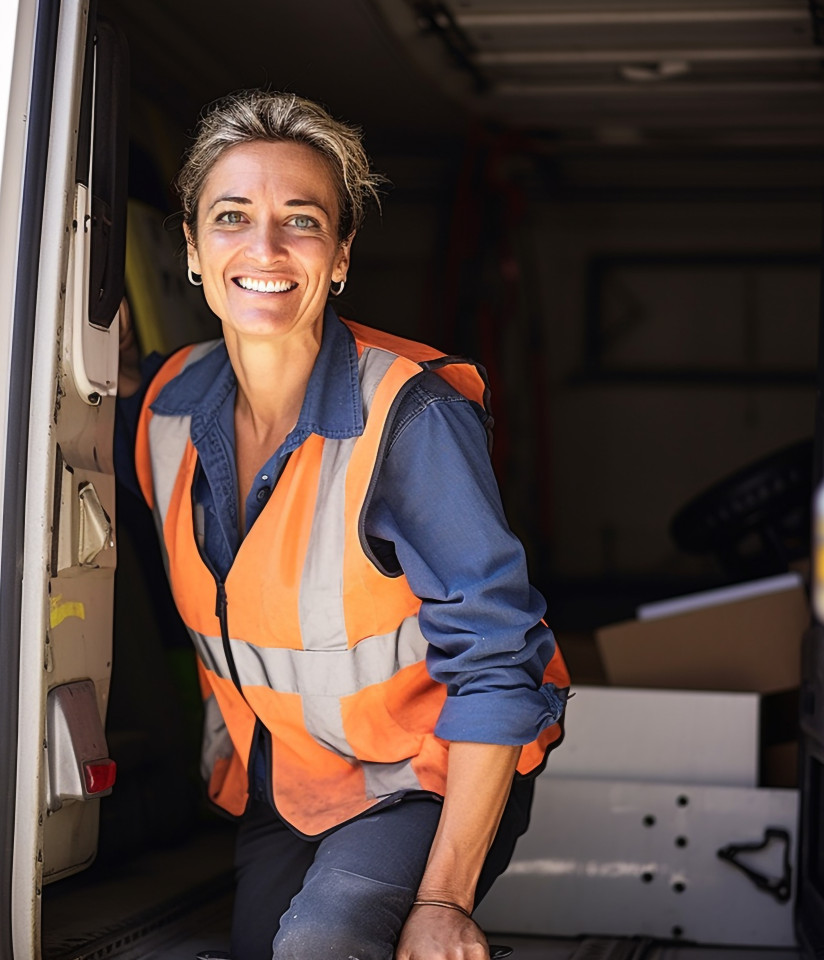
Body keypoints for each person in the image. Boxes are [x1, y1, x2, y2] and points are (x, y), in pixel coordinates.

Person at [117, 89, 569, 960]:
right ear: (192, 250)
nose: (266, 248)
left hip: (425, 780)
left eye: (303, 221)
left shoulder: (410, 416)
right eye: (232, 217)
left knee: (322, 945)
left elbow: (500, 663)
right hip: (292, 786)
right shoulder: (163, 411)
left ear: (341, 258)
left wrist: (444, 899)